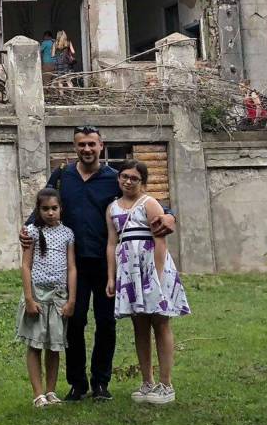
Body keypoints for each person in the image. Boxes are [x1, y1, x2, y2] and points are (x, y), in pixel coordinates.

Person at [19, 126, 176, 402]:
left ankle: (101, 383)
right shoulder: (63, 177)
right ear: (75, 147)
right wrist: (27, 227)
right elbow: (42, 205)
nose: (87, 149)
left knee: (106, 323)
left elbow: (141, 197)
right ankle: (77, 384)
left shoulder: (113, 178)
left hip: (107, 264)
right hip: (72, 265)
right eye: (82, 145)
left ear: (101, 146)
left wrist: (170, 216)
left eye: (92, 144)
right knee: (74, 321)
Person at [106, 160, 190, 404]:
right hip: (128, 271)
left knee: (160, 324)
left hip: (152, 268)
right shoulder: (112, 208)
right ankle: (147, 381)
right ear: (118, 178)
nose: (128, 181)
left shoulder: (150, 203)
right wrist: (111, 277)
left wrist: (158, 276)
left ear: (142, 182)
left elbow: (160, 240)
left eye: (134, 178)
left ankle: (166, 384)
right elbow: (112, 243)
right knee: (139, 326)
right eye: (124, 176)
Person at [17, 187, 76, 408]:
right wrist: (29, 298)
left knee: (54, 345)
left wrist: (71, 300)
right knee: (35, 344)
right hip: (38, 295)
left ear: (61, 209)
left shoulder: (68, 234)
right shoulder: (31, 232)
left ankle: (51, 391)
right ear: (38, 210)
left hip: (59, 296)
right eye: (45, 209)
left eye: (54, 208)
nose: (50, 213)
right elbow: (25, 265)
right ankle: (38, 393)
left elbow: (72, 268)